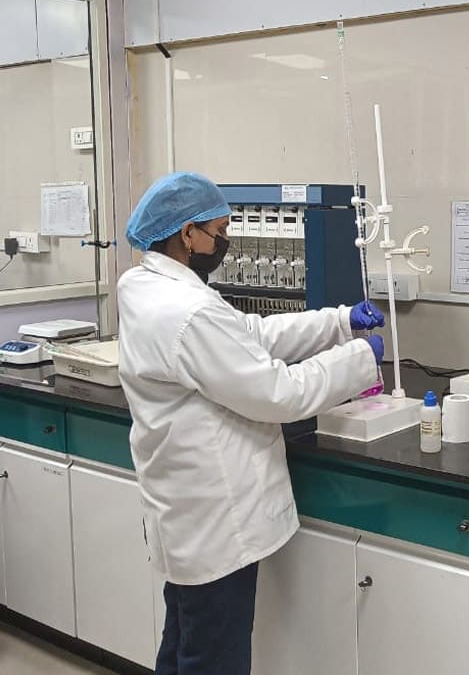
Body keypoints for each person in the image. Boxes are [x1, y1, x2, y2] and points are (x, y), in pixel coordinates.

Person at [117, 172, 384, 675]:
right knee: (213, 658)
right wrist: (359, 358)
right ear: (187, 234)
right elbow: (279, 393)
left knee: (183, 644)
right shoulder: (188, 310)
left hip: (183, 511)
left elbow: (248, 334)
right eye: (219, 231)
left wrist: (339, 320)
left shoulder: (145, 287)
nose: (227, 241)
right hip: (216, 523)